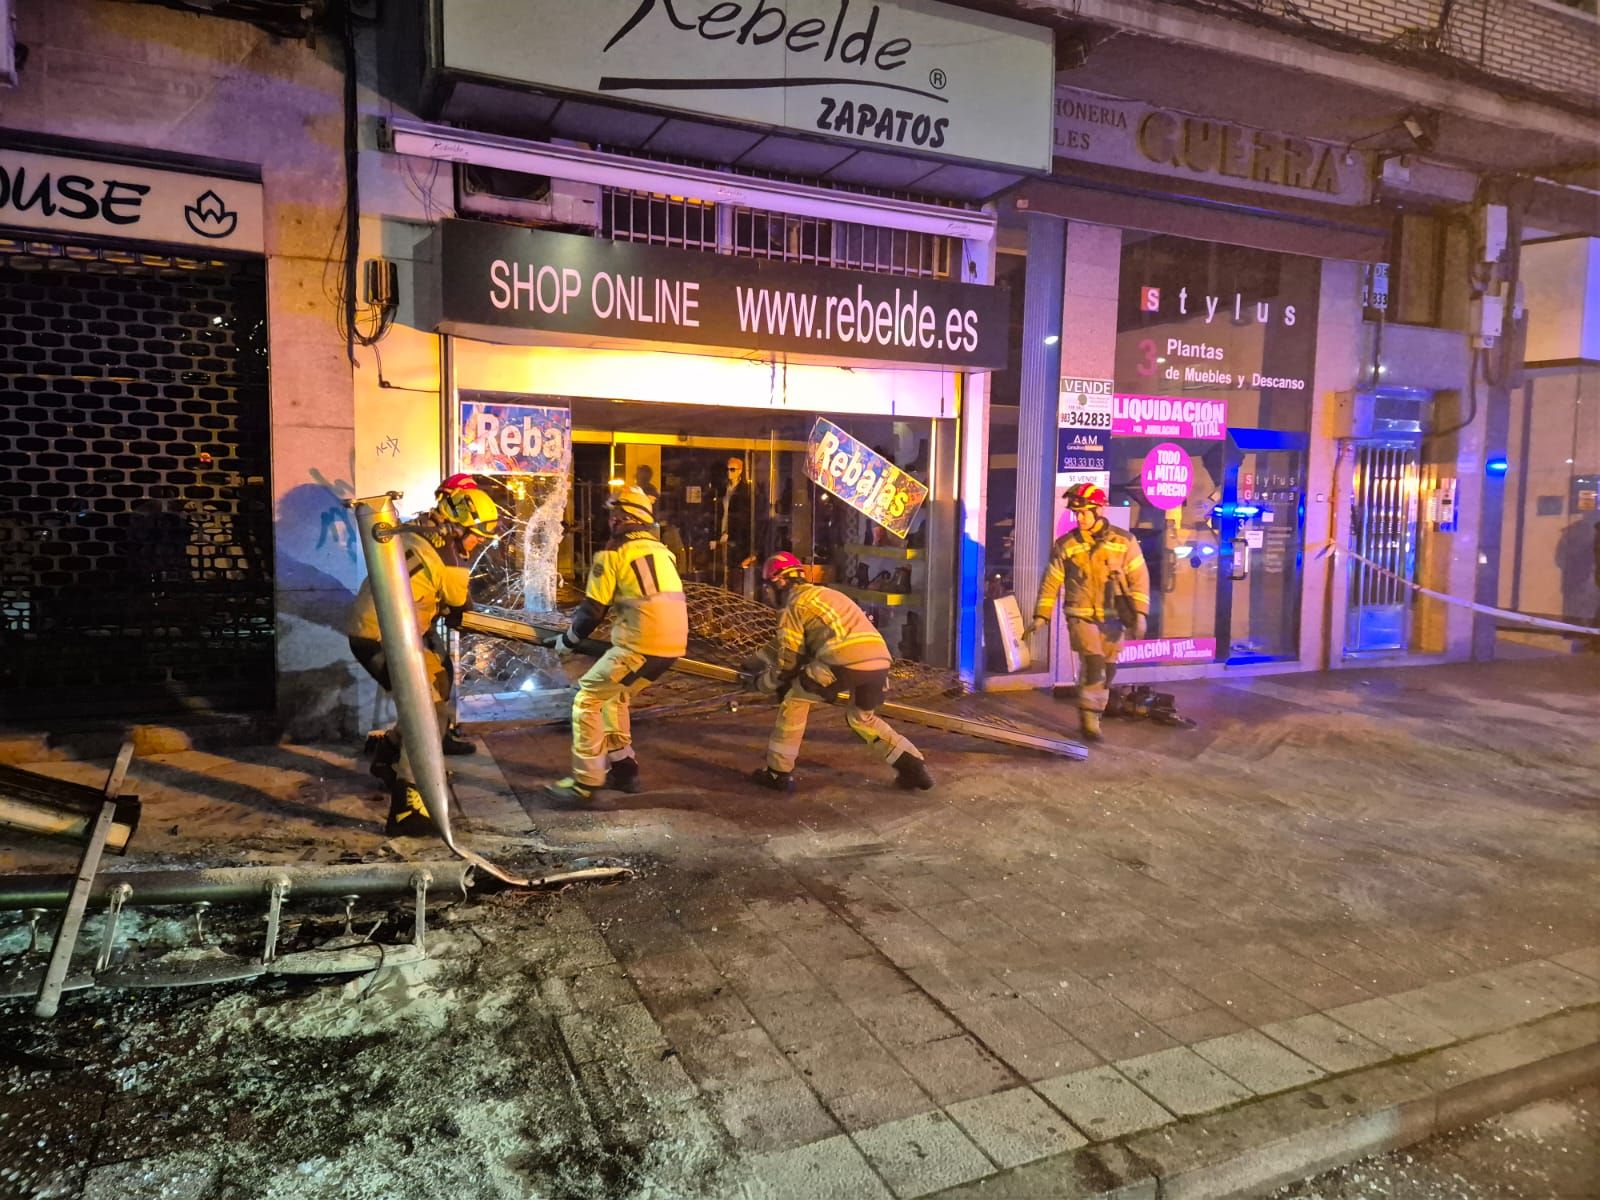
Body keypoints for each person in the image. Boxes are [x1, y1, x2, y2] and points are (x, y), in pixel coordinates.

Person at [346, 483, 500, 836]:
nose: (477, 544)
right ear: (458, 527)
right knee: (426, 714)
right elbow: (463, 610)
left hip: (389, 632)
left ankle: (387, 755)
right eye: (475, 536)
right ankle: (407, 806)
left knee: (439, 690)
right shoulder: (450, 561)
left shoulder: (421, 533)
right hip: (384, 638)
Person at [541, 485, 687, 802]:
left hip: (638, 647)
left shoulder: (614, 552)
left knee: (588, 698)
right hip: (672, 649)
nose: (611, 520)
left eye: (614, 515)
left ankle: (585, 782)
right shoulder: (662, 552)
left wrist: (568, 640)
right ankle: (624, 770)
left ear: (624, 518)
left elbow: (593, 609)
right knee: (613, 696)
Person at [748, 552, 933, 793]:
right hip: (878, 662)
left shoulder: (792, 606)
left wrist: (761, 684)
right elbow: (782, 644)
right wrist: (752, 662)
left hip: (840, 663)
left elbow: (788, 662)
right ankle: (912, 766)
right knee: (862, 718)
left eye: (768, 587)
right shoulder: (828, 595)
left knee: (794, 701)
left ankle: (778, 773)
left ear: (779, 582)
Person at [1030, 483, 1151, 743]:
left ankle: (1094, 712)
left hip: (1113, 619)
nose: (1079, 518)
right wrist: (1042, 615)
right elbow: (1051, 581)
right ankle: (1089, 720)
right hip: (1080, 615)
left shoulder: (1124, 542)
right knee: (1094, 665)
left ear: (1099, 510)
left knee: (1108, 669)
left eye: (1084, 512)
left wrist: (1140, 614)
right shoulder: (1066, 544)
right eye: (1076, 513)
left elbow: (1140, 579)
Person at [713, 456, 757, 592]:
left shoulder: (745, 491)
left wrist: (730, 534)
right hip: (723, 534)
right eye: (728, 470)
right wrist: (716, 535)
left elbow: (743, 519)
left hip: (735, 538)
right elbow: (718, 513)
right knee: (722, 571)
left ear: (740, 471)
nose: (729, 473)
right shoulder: (723, 489)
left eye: (733, 470)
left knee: (734, 573)